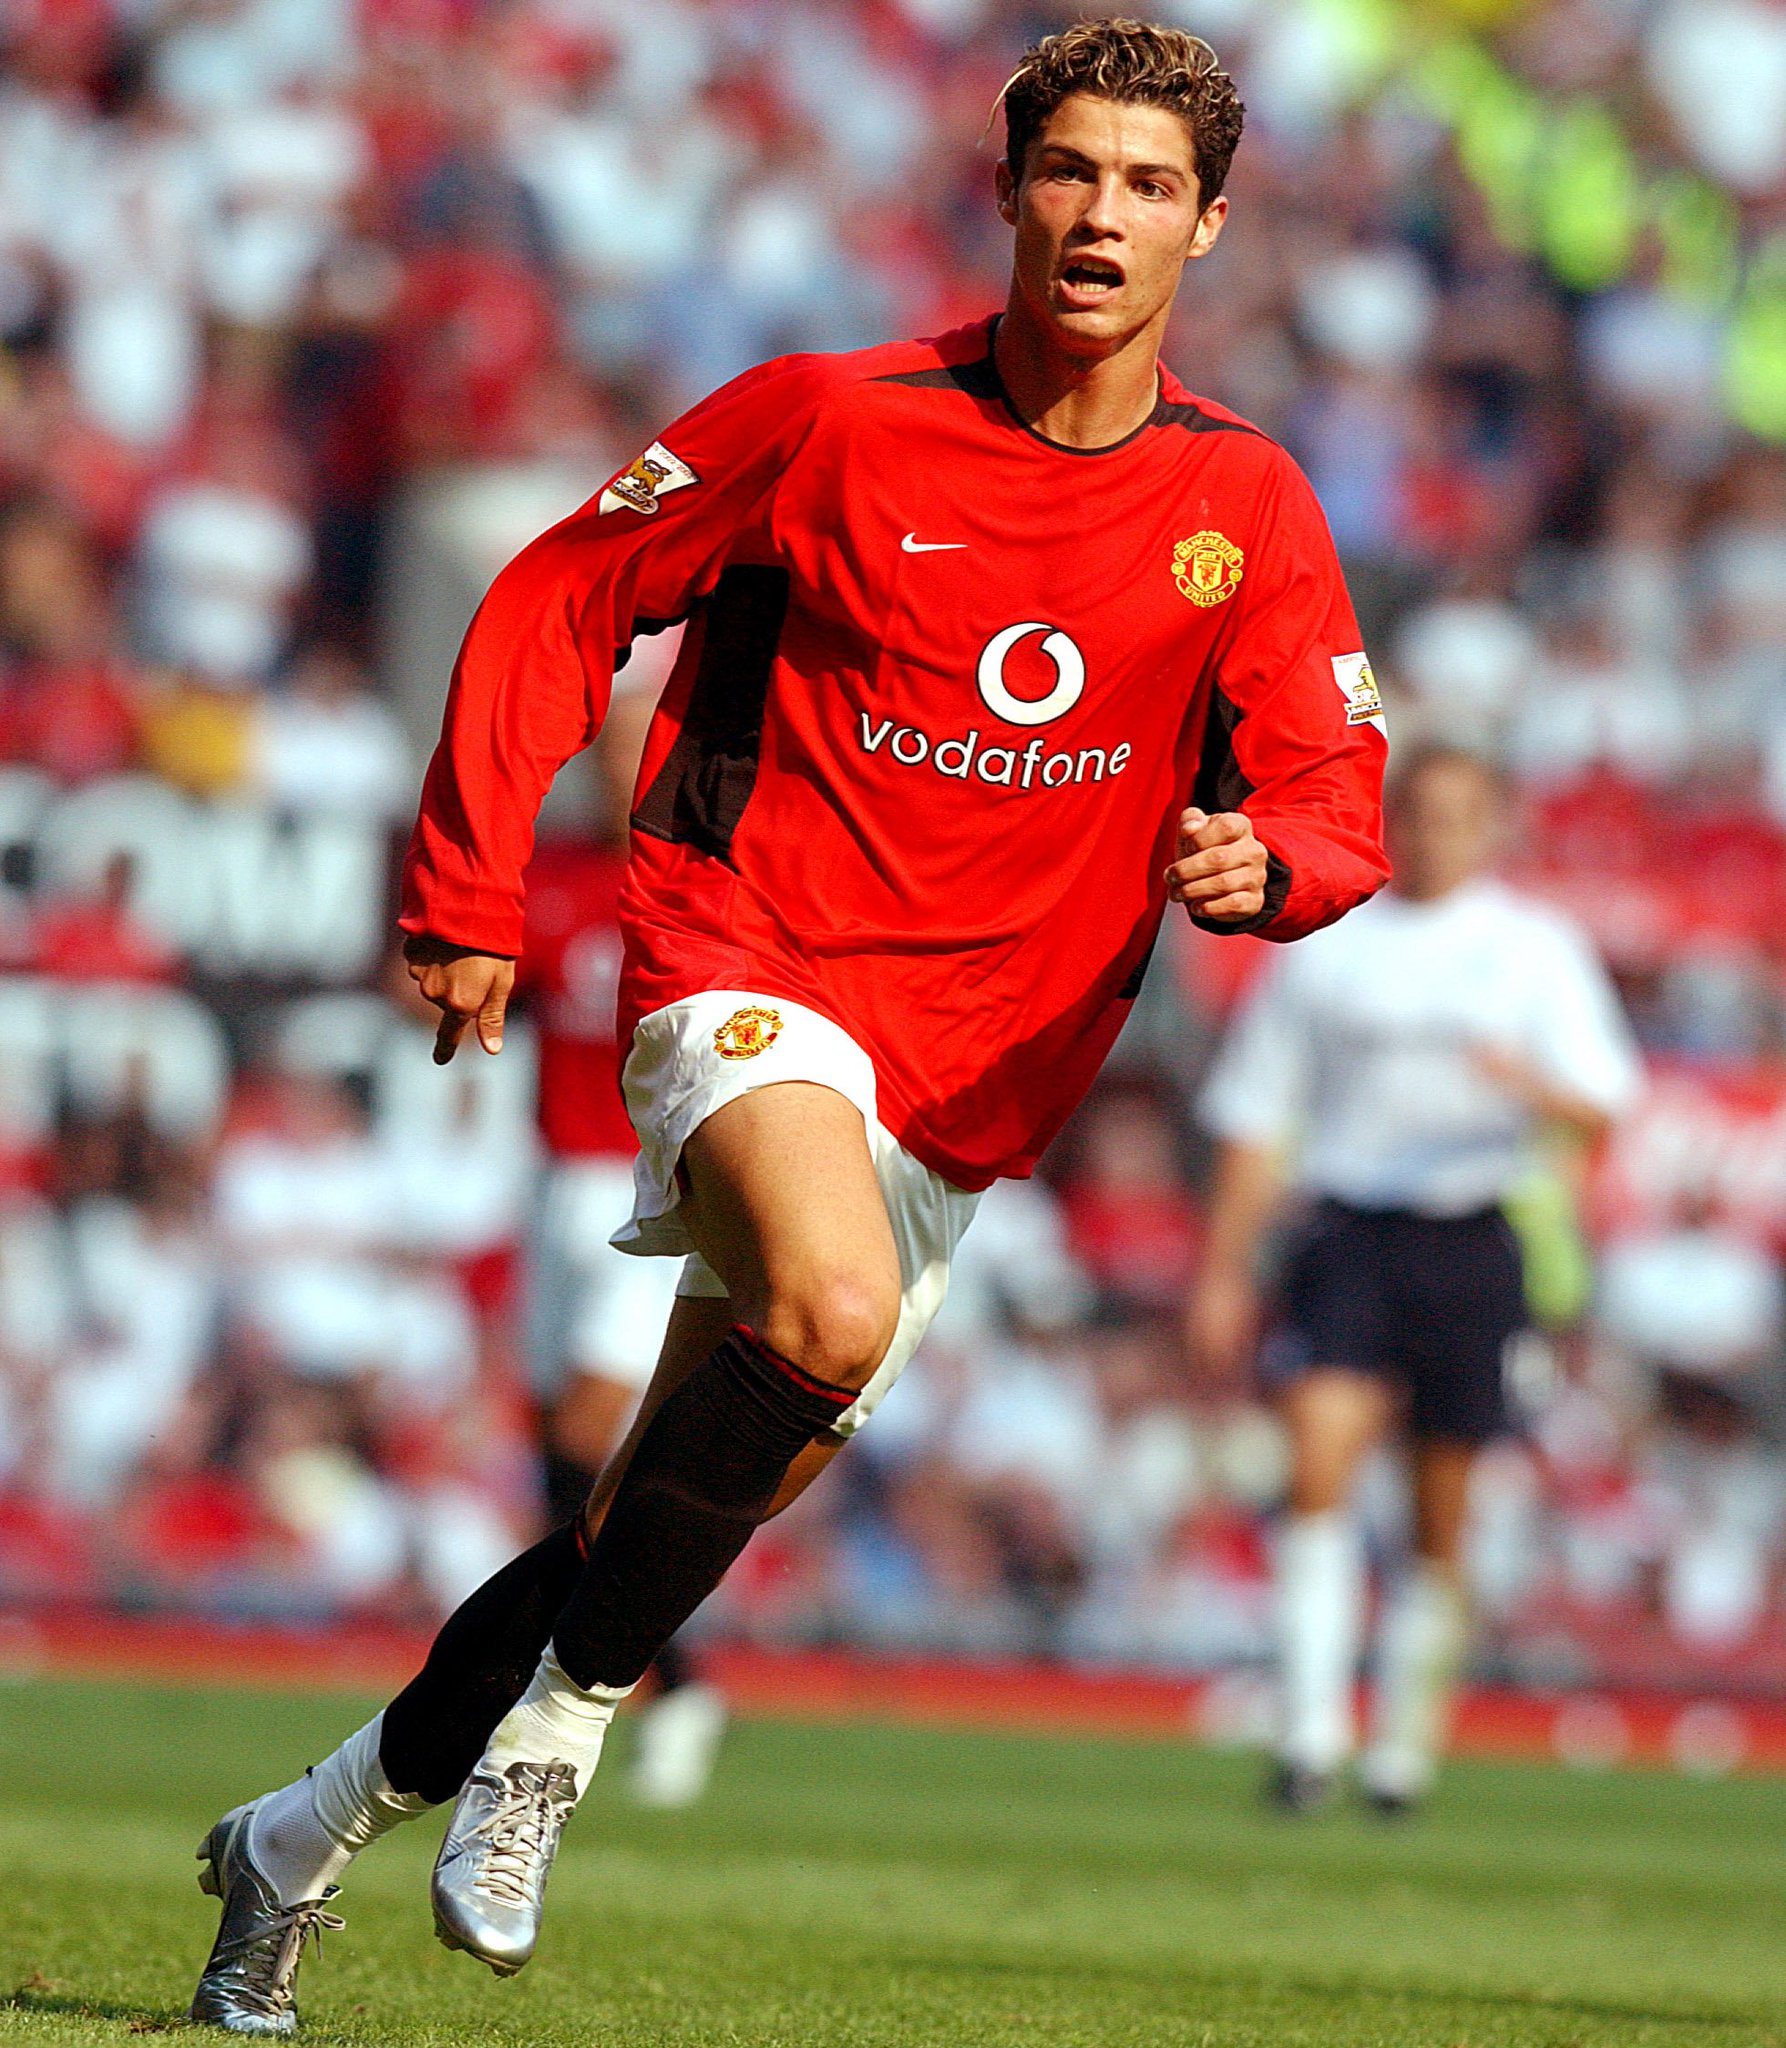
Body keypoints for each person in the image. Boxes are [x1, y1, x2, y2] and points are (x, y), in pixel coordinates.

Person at [188, 20, 1389, 2032]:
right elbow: (559, 595)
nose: (1100, 214)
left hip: (971, 1078)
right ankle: (553, 1747)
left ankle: (295, 1837)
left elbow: (1335, 789)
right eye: (1069, 170)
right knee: (822, 1312)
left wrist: (1270, 862)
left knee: (637, 1520)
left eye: (1146, 184)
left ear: (1206, 226)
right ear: (1006, 191)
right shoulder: (833, 415)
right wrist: (466, 890)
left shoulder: (1241, 503)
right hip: (746, 952)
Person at [1191, 742, 1641, 1815]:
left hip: (1470, 1234)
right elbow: (1256, 1114)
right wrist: (1222, 1268)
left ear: (1491, 826)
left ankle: (1400, 1744)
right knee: (1317, 1458)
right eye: (1421, 813)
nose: (1436, 834)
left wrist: (1524, 1083)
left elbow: (1603, 1102)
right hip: (1348, 1227)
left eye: (1458, 815)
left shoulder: (1532, 949)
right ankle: (1308, 1737)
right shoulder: (1327, 945)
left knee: (1441, 1507)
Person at [518, 681, 728, 1808]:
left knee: (589, 1436)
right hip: (548, 1178)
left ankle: (642, 1676)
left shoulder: (699, 879)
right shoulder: (553, 878)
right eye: (605, 753)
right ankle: (648, 1672)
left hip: (635, 1185)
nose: (618, 773)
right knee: (550, 1457)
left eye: (637, 752)